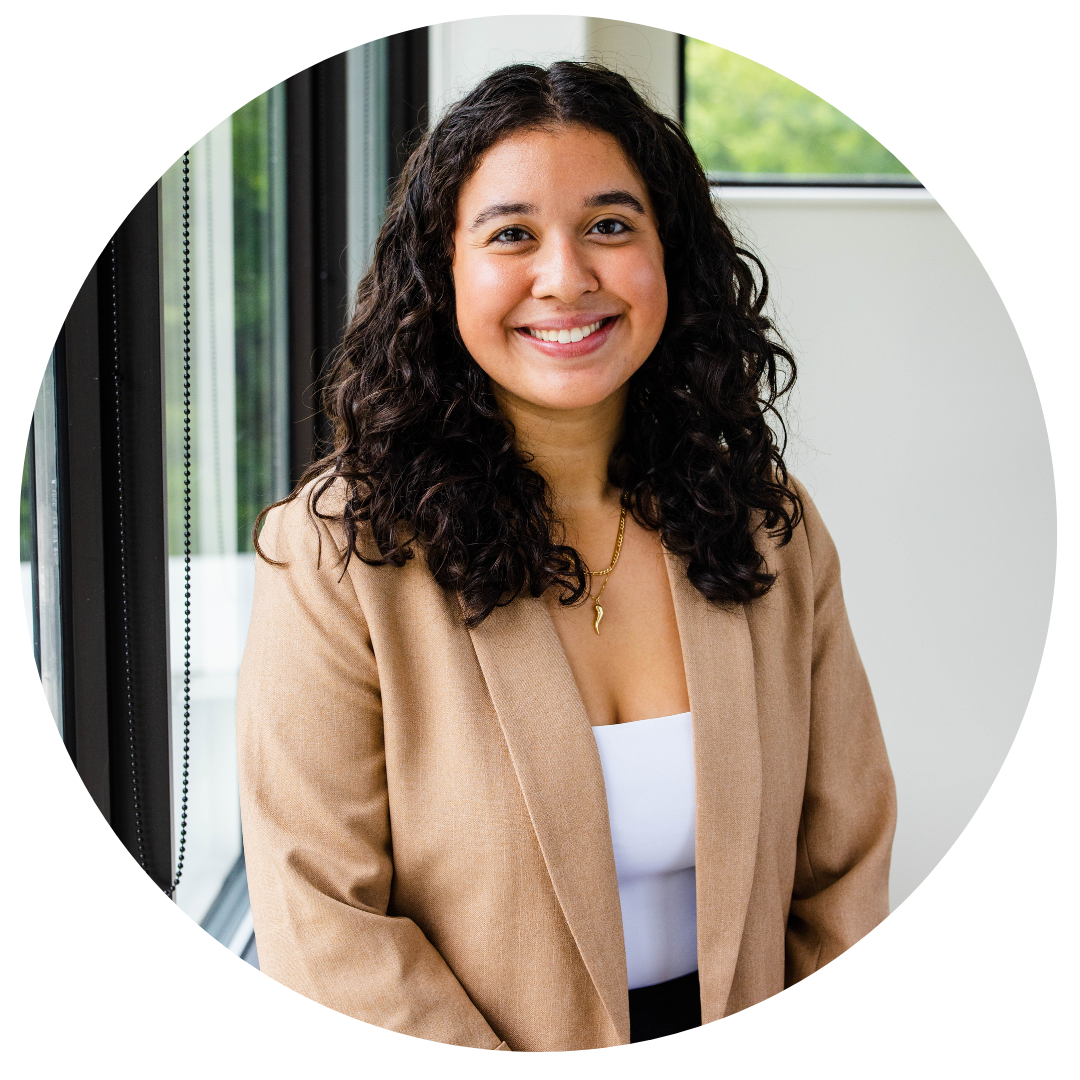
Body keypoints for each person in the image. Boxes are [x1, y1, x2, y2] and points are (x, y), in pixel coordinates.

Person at [236, 61, 896, 1052]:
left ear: (670, 255)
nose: (566, 276)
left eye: (610, 225)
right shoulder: (338, 553)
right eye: (510, 234)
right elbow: (319, 915)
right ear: (439, 271)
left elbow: (843, 867)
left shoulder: (768, 523)